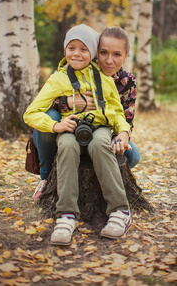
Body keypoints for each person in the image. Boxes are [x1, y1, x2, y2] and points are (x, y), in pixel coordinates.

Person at [24, 24, 132, 245]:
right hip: (70, 127)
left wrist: (122, 131)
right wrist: (55, 126)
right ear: (64, 50)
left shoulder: (103, 77)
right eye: (71, 47)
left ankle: (120, 211)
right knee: (67, 146)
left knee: (101, 145)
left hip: (100, 127)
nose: (76, 53)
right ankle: (66, 215)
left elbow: (117, 110)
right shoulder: (58, 78)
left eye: (84, 49)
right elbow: (31, 113)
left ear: (92, 52)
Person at [32, 26, 140, 201]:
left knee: (132, 155)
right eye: (103, 53)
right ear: (95, 51)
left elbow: (126, 117)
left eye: (117, 54)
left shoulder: (127, 81)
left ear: (125, 55)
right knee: (50, 116)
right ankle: (46, 178)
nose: (109, 60)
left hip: (104, 132)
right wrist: (68, 102)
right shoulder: (77, 69)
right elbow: (43, 103)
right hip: (68, 128)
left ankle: (102, 176)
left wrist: (121, 134)